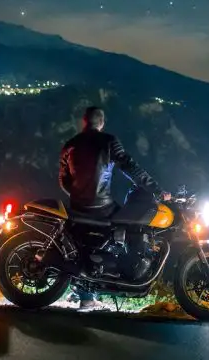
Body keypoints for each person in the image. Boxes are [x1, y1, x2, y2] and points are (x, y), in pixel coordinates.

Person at [58, 106, 169, 310]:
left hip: (76, 206)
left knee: (88, 242)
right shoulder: (108, 141)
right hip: (102, 206)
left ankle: (87, 295)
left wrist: (78, 196)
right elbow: (130, 167)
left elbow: (63, 180)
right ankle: (124, 274)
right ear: (101, 123)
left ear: (84, 121)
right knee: (130, 227)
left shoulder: (70, 145)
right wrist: (157, 190)